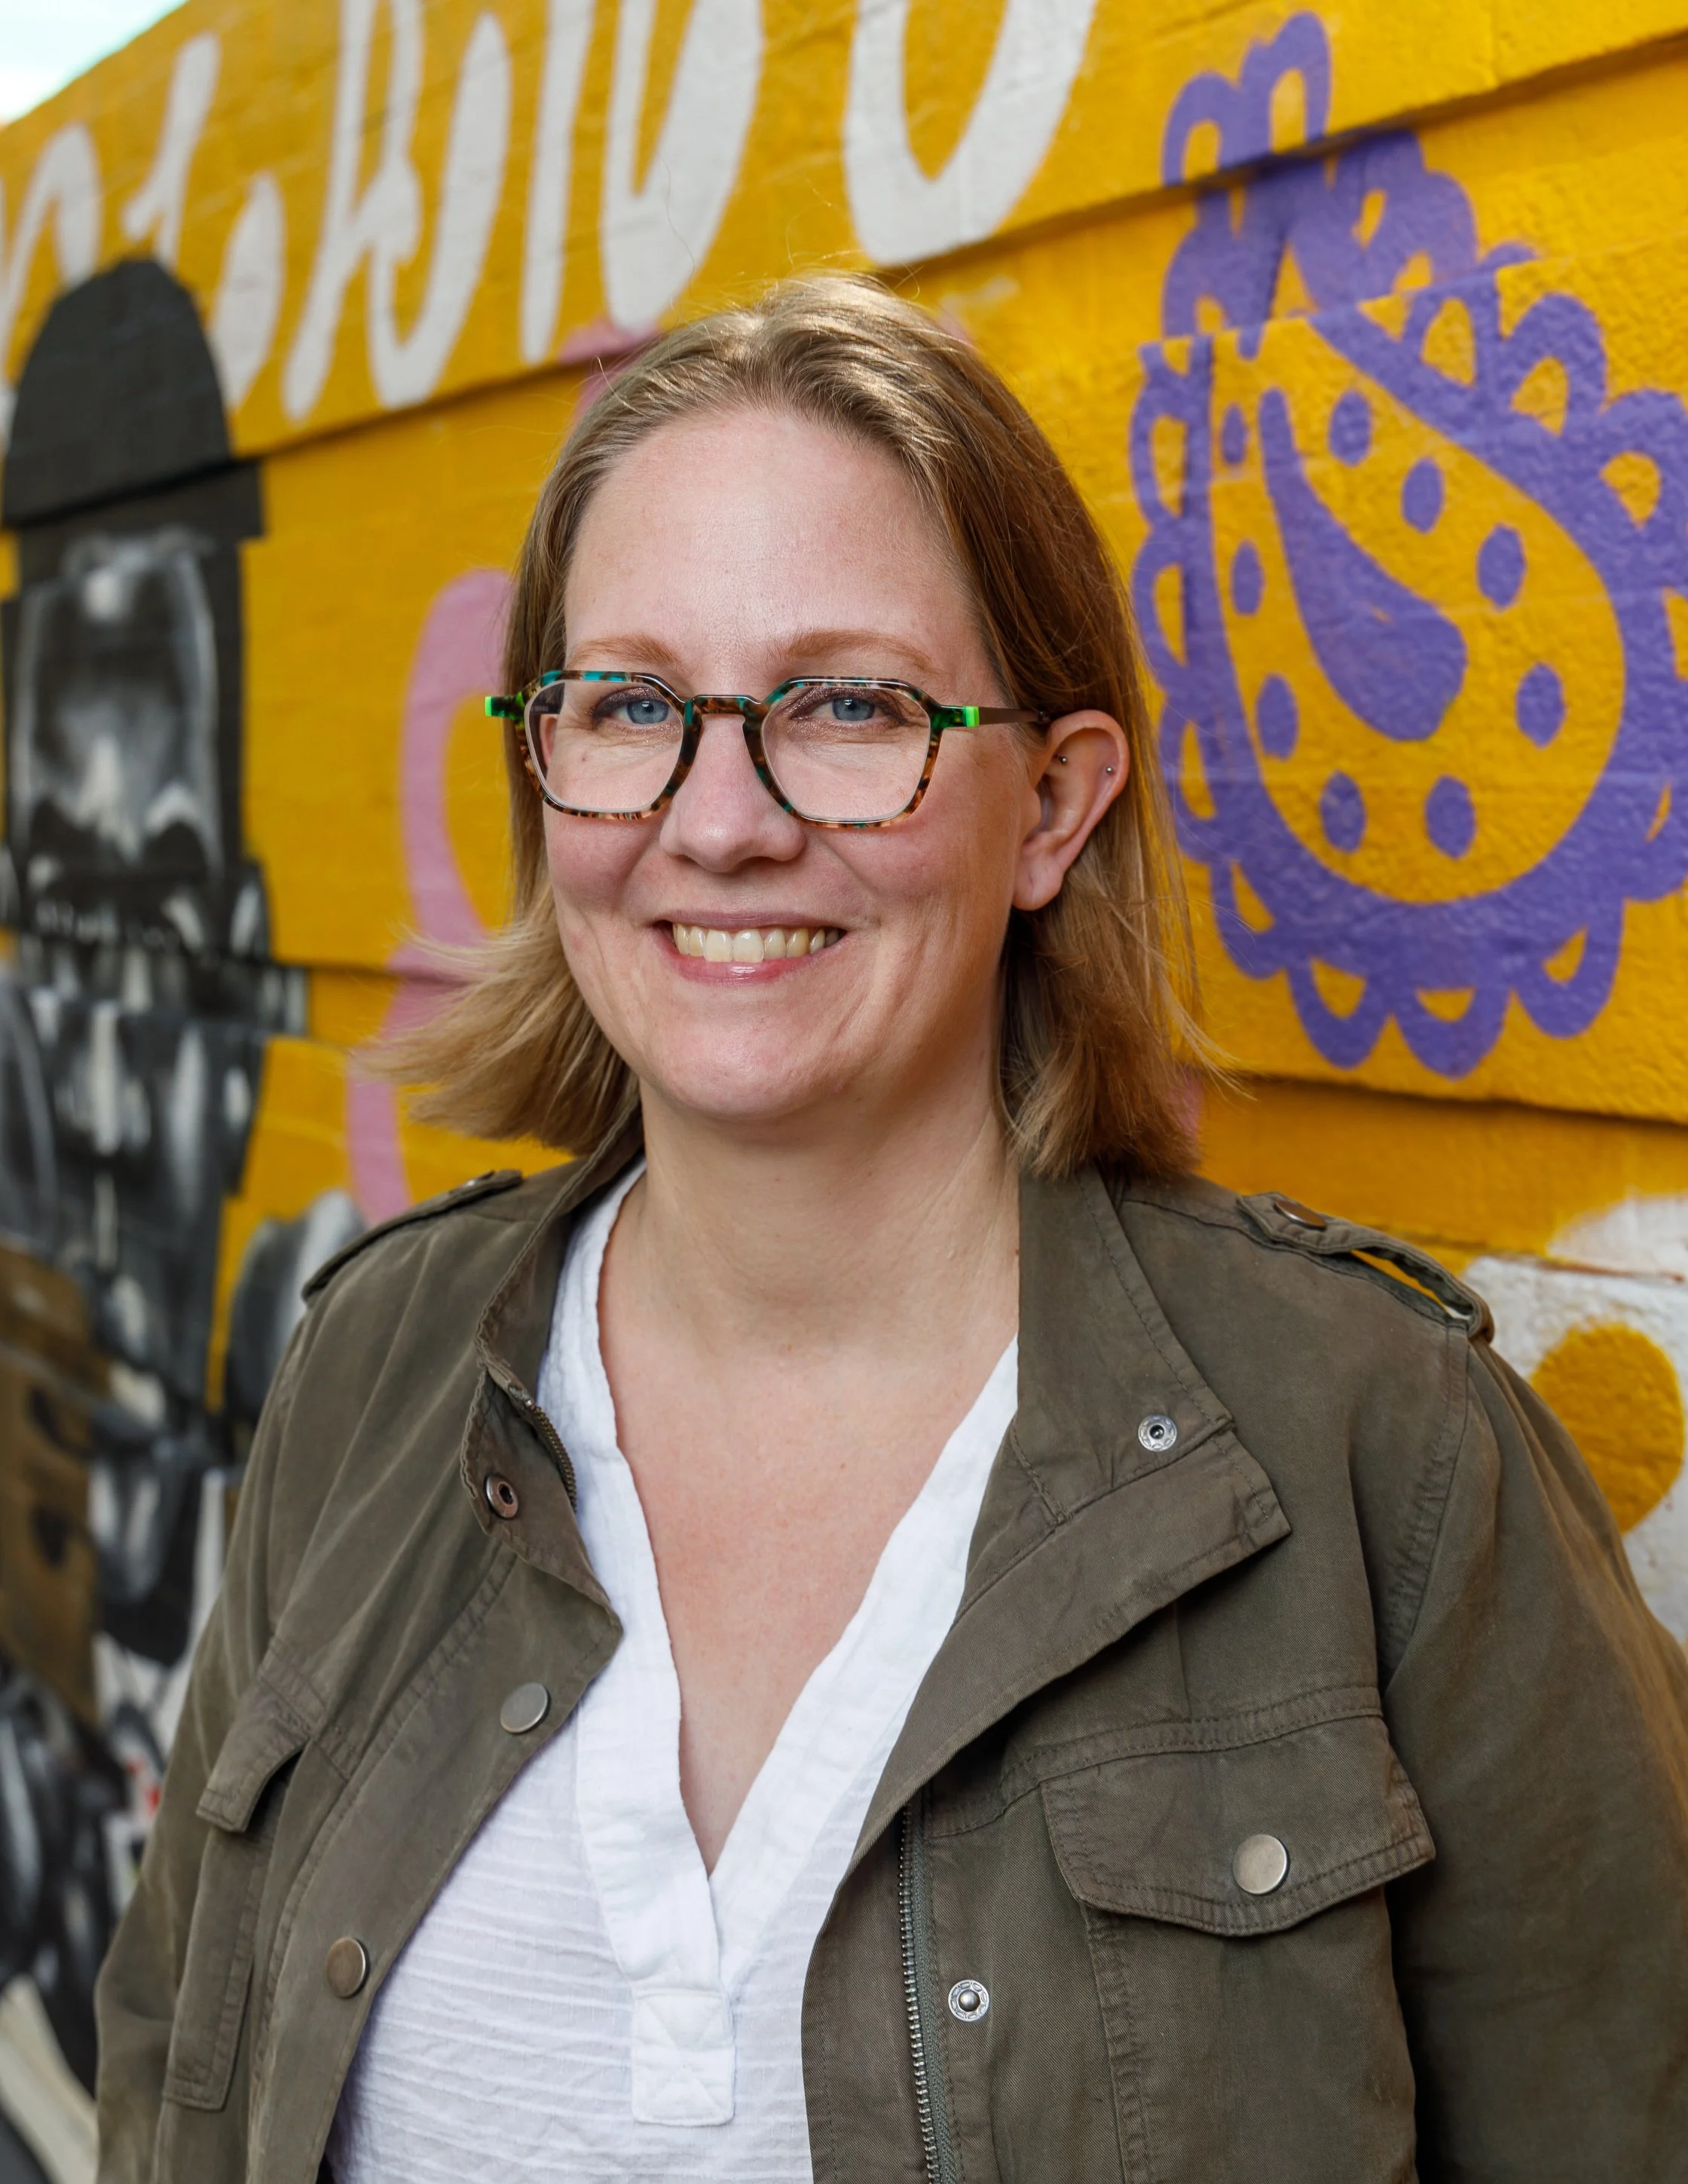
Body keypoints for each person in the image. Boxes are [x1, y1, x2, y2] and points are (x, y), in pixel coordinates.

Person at [95, 277, 1688, 2184]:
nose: (722, 819)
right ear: (545, 770)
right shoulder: (374, 1366)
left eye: (847, 706)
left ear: (1050, 810)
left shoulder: (1387, 1463)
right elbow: (168, 2056)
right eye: (628, 706)